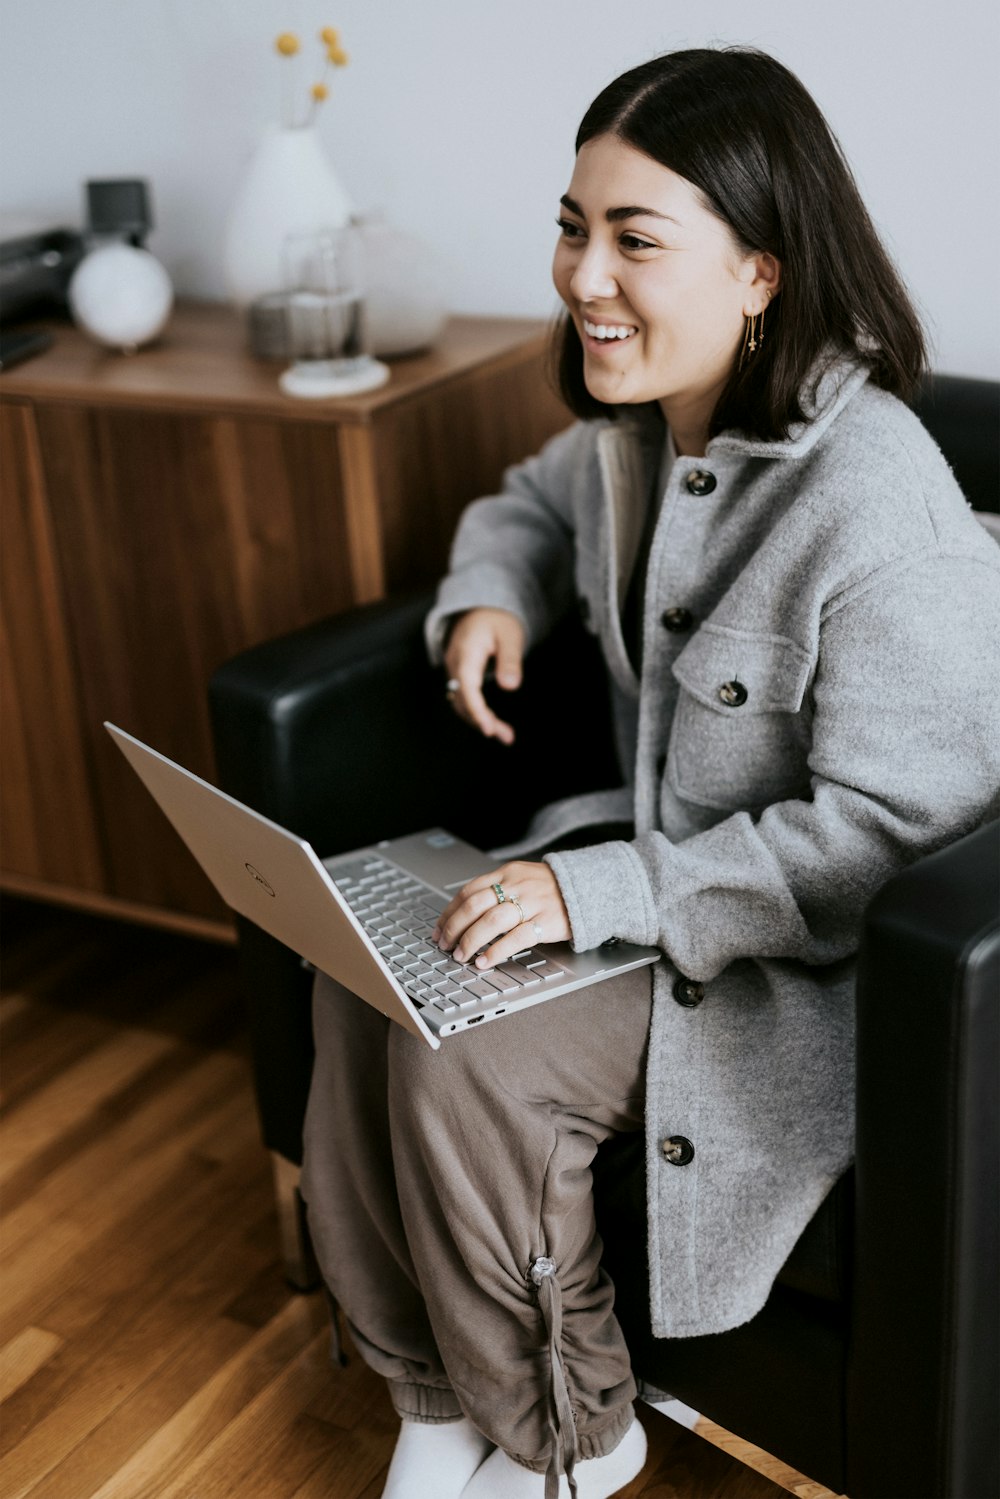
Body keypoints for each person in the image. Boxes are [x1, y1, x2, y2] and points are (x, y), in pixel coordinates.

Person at [301, 46, 1000, 1499]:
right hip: (635, 874)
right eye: (572, 225)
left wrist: (596, 888)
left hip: (788, 967)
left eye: (634, 239)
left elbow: (893, 839)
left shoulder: (879, 505)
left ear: (761, 273)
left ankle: (578, 1437)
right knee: (357, 964)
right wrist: (488, 594)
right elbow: (525, 507)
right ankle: (436, 1398)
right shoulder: (635, 428)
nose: (581, 276)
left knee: (473, 1052)